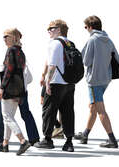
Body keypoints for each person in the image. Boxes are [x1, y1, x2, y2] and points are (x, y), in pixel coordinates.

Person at [76, 15, 119, 148]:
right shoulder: (108, 39)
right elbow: (117, 58)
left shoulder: (92, 40)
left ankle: (112, 140)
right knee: (93, 107)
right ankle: (85, 134)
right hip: (105, 79)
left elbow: (86, 61)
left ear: (90, 27)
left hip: (94, 80)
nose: (85, 29)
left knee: (100, 109)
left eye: (85, 27)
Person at [34, 20, 75, 152]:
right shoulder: (69, 43)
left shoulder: (55, 43)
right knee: (68, 112)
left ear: (59, 30)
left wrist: (47, 82)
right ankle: (69, 142)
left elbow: (52, 65)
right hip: (69, 83)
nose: (49, 31)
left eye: (51, 28)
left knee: (48, 111)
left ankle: (47, 139)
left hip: (56, 82)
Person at [0, 28, 31, 155]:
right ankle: (5, 143)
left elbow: (8, 70)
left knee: (7, 116)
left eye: (7, 36)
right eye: (3, 36)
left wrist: (2, 87)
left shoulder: (11, 50)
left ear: (14, 37)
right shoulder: (21, 51)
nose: (4, 38)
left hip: (9, 88)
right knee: (8, 117)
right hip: (19, 88)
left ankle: (22, 141)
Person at [0, 63, 40, 146]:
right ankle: (34, 138)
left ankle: (0, 138)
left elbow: (4, 77)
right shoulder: (23, 61)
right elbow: (30, 78)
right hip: (22, 92)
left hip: (9, 92)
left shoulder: (8, 59)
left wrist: (2, 89)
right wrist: (23, 85)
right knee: (25, 114)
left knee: (5, 116)